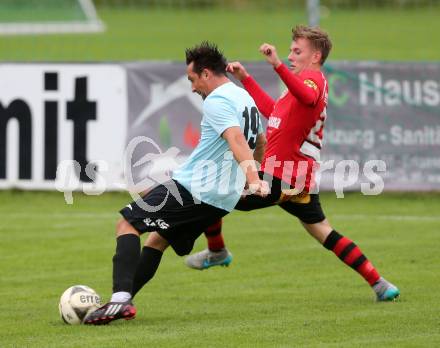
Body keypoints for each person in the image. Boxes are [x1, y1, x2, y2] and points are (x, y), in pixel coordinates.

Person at [185, 26, 400, 302]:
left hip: (284, 175)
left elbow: (308, 96)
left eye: (297, 51)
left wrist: (275, 65)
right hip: (295, 178)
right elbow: (272, 111)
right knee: (324, 231)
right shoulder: (297, 89)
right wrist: (246, 80)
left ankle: (217, 251)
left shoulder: (313, 80)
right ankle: (380, 283)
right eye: (289, 51)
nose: (290, 56)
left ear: (316, 56)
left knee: (213, 188)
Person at [84, 41, 268, 325]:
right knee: (157, 241)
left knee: (127, 223)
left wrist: (253, 180)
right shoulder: (244, 98)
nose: (193, 88)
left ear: (206, 74)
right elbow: (261, 140)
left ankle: (119, 301)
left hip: (193, 189)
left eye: (193, 80)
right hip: (221, 200)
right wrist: (253, 174)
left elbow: (236, 139)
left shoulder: (218, 100)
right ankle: (123, 301)